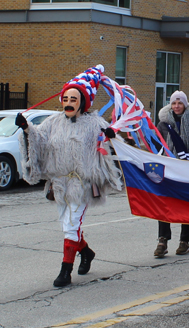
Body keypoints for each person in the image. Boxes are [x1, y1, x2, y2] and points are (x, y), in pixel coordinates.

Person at [15, 65, 123, 287]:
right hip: (60, 184)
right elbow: (39, 139)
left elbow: (113, 140)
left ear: (82, 102)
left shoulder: (94, 123)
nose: (68, 102)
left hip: (83, 183)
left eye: (74, 99)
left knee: (71, 225)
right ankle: (87, 252)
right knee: (67, 225)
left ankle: (65, 271)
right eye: (65, 98)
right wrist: (27, 128)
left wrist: (112, 135)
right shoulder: (53, 122)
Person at [153, 91, 189, 257]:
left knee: (187, 204)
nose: (176, 106)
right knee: (164, 203)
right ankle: (163, 240)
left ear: (185, 104)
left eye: (179, 103)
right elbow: (155, 145)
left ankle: (184, 241)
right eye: (173, 103)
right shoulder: (163, 124)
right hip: (169, 169)